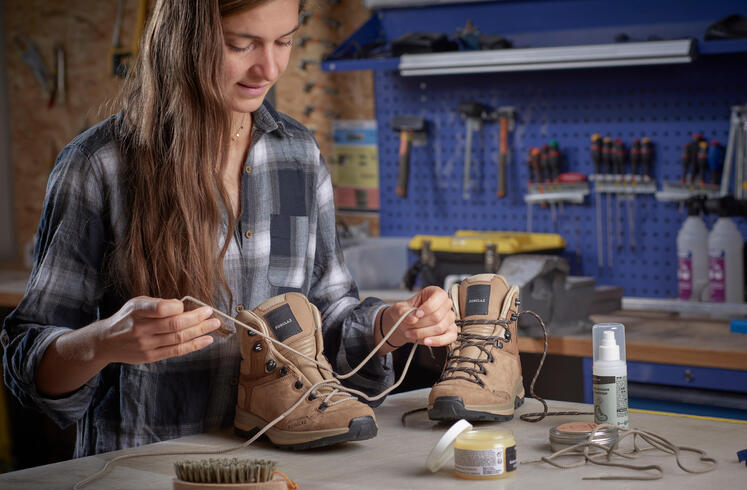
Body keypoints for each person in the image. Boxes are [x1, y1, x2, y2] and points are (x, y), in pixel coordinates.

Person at [1, 0, 456, 458]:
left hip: (282, 469)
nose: (269, 68)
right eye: (242, 45)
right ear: (184, 39)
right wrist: (102, 343)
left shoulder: (297, 155)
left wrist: (390, 325)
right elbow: (28, 367)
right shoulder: (98, 165)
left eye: (284, 41)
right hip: (145, 483)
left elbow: (327, 319)